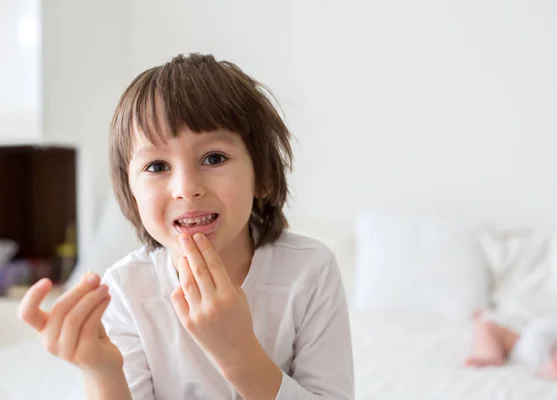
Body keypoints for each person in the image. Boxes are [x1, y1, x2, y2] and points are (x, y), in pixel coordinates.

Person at [18, 53, 354, 399]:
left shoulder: (309, 271)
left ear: (263, 176)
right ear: (131, 194)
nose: (186, 188)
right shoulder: (127, 289)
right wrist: (101, 371)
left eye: (214, 158)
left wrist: (238, 354)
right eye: (157, 166)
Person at [465, 307, 557, 379]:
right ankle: (489, 355)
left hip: (556, 354)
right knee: (485, 326)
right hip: (521, 340)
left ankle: (551, 369)